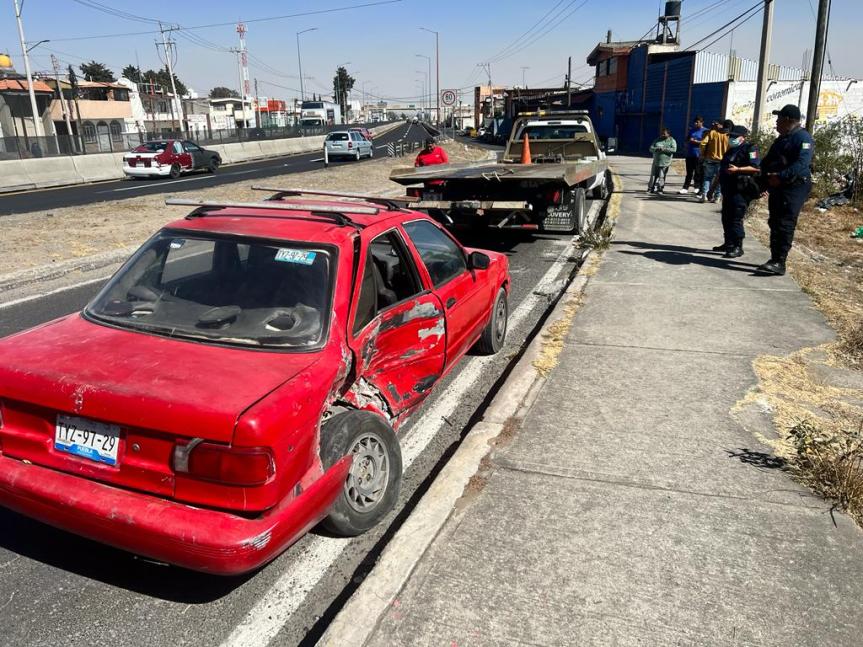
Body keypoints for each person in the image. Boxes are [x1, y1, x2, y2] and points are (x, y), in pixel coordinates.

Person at [756, 104, 815, 276]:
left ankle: (779, 262)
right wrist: (762, 180)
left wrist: (780, 176)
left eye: (779, 119)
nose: (776, 122)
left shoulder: (803, 138)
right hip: (778, 185)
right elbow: (768, 161)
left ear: (788, 120)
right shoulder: (782, 139)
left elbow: (802, 163)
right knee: (774, 221)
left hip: (795, 186)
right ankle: (774, 258)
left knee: (785, 222)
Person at [713, 125, 761, 258]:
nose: (731, 139)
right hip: (728, 189)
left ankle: (738, 246)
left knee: (736, 218)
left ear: (743, 137)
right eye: (730, 136)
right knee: (726, 217)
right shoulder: (731, 150)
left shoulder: (750, 148)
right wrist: (713, 188)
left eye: (734, 137)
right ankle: (728, 243)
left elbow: (756, 168)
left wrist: (738, 170)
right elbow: (722, 170)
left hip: (741, 190)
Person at [700, 119, 733, 203]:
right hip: (722, 161)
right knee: (719, 179)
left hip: (710, 159)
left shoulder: (712, 133)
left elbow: (703, 143)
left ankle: (704, 195)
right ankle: (717, 197)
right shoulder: (729, 136)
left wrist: (703, 154)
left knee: (707, 177)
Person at [678, 115, 706, 195]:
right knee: (689, 172)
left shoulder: (705, 131)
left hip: (699, 155)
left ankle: (697, 187)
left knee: (698, 172)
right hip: (690, 154)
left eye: (698, 122)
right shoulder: (692, 130)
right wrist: (686, 144)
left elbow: (706, 143)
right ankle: (685, 187)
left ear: (702, 122)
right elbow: (687, 140)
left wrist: (696, 141)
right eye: (695, 122)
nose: (696, 123)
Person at [647, 127, 676, 194]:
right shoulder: (657, 140)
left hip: (665, 163)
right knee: (653, 175)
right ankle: (650, 188)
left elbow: (674, 150)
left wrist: (664, 149)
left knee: (661, 176)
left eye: (664, 134)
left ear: (668, 134)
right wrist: (656, 149)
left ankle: (660, 188)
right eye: (662, 133)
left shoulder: (672, 141)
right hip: (656, 161)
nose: (662, 135)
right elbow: (651, 148)